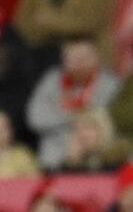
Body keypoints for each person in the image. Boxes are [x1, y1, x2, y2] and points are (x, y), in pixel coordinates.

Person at [26, 36, 120, 169]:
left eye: (84, 57)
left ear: (97, 57)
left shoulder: (110, 83)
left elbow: (106, 120)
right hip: (54, 157)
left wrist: (62, 118)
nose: (79, 62)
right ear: (64, 60)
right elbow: (36, 118)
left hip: (99, 156)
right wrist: (74, 117)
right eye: (74, 58)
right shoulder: (52, 79)